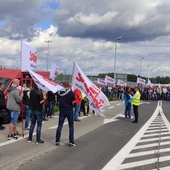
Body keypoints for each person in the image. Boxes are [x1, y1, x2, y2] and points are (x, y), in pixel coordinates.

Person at [55, 81, 76, 147]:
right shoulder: (71, 93)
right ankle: (71, 142)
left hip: (62, 110)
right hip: (69, 110)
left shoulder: (59, 92)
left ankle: (57, 140)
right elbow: (74, 102)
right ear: (68, 85)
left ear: (63, 86)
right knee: (71, 126)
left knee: (60, 125)